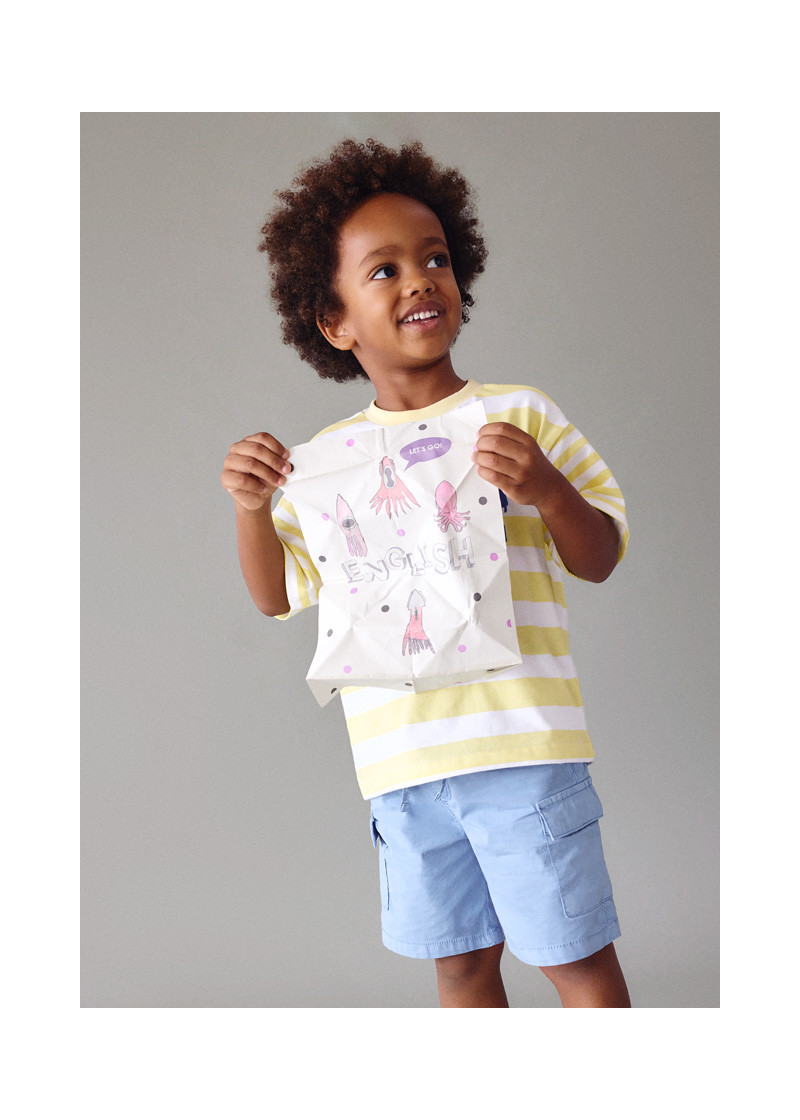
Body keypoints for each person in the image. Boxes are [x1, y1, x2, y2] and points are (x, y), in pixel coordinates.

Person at [220, 139, 631, 1008]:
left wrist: (546, 488)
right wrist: (252, 506)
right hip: (403, 769)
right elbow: (275, 596)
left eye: (436, 259)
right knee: (460, 966)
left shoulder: (520, 416)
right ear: (333, 322)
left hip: (523, 747)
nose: (420, 281)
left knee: (576, 959)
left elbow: (598, 556)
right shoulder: (326, 464)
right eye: (385, 270)